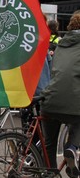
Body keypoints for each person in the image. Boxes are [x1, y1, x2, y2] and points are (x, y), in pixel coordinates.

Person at [41, 11, 80, 174]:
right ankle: (71, 147)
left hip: (49, 99)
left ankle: (49, 174)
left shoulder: (60, 45)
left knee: (49, 143)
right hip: (71, 102)